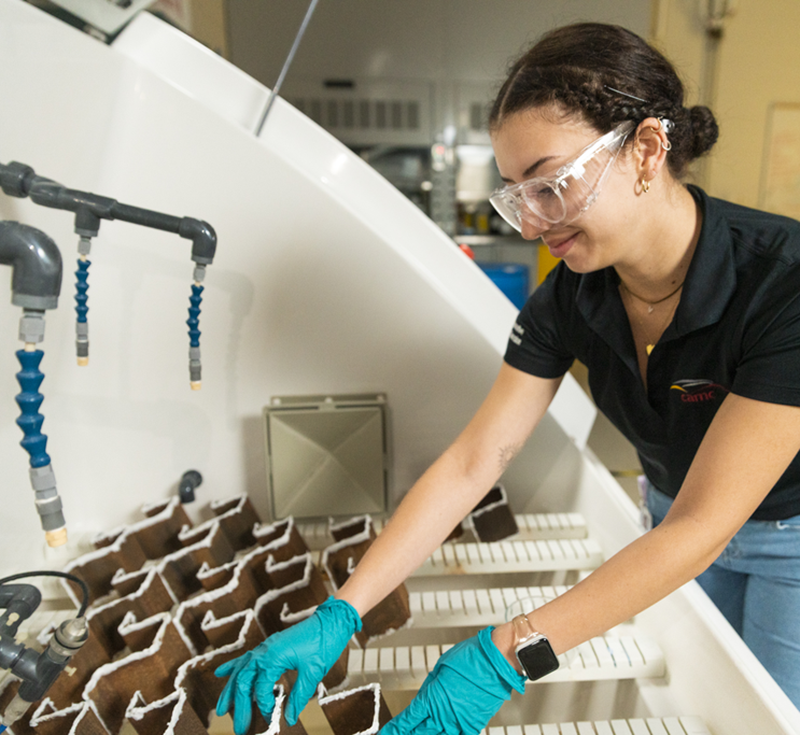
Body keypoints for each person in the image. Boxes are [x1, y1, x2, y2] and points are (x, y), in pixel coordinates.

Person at [215, 22, 800, 734]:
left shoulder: (782, 282)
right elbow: (475, 458)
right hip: (669, 514)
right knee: (712, 694)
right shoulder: (572, 295)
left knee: (769, 710)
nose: (533, 225)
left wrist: (503, 654)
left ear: (646, 149)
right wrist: (343, 608)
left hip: (786, 534)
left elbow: (708, 524)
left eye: (550, 183)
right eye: (519, 196)